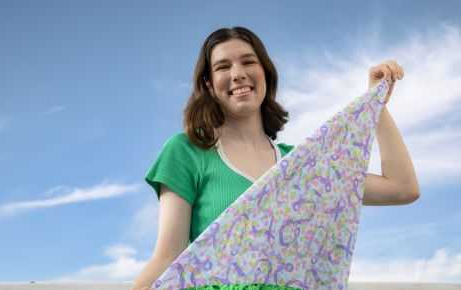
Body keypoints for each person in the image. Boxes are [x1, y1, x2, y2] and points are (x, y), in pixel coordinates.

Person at [131, 26, 420, 290]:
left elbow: (402, 187)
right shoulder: (187, 152)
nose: (237, 73)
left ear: (265, 73)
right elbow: (168, 256)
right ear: (208, 84)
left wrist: (376, 104)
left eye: (248, 62)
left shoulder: (302, 166)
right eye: (223, 66)